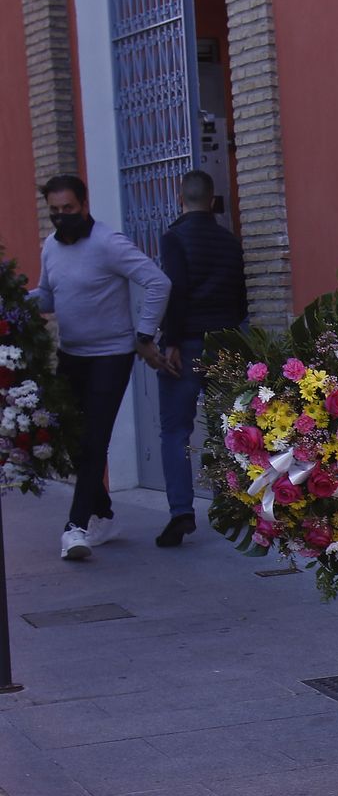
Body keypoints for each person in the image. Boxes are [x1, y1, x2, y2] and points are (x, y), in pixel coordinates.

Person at [30, 175, 171, 561]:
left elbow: (157, 282)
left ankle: (75, 528)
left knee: (94, 440)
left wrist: (144, 335)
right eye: (55, 212)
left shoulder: (109, 243)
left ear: (83, 205)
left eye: (68, 210)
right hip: (71, 354)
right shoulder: (50, 247)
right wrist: (15, 302)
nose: (61, 218)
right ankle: (104, 515)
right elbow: (48, 296)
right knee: (68, 438)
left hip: (111, 355)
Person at [154, 170, 248, 547]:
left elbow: (174, 290)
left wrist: (170, 340)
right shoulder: (229, 242)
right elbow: (242, 297)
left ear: (181, 199)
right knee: (225, 427)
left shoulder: (174, 238)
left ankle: (181, 512)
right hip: (225, 343)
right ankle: (229, 505)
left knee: (175, 432)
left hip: (188, 342)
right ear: (212, 201)